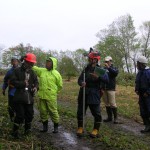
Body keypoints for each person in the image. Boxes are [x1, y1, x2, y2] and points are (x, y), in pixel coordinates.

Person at [76, 51, 109, 138]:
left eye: (90, 58)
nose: (88, 60)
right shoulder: (86, 68)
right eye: (89, 58)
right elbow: (79, 80)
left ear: (95, 60)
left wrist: (98, 77)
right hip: (83, 93)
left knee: (96, 113)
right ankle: (80, 127)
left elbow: (107, 80)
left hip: (94, 94)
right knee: (80, 111)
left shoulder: (100, 70)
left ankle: (95, 130)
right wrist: (81, 83)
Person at [10, 53, 38, 138]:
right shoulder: (17, 71)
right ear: (25, 62)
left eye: (32, 64)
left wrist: (36, 87)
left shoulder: (33, 72)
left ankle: (27, 130)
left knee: (30, 114)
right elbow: (12, 82)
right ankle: (15, 132)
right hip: (19, 97)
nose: (31, 65)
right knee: (20, 115)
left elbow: (36, 82)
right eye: (30, 63)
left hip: (29, 97)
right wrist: (22, 83)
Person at [32, 56, 63, 133]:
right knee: (43, 111)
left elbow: (60, 86)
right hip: (42, 96)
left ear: (53, 64)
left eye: (48, 63)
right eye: (46, 62)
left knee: (53, 111)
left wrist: (54, 92)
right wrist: (29, 62)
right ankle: (45, 127)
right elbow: (34, 68)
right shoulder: (42, 71)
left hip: (51, 97)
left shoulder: (56, 74)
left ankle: (56, 127)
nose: (46, 64)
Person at [135, 56, 150, 133]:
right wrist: (136, 89)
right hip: (141, 95)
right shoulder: (139, 72)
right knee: (143, 111)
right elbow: (137, 82)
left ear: (141, 64)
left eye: (137, 63)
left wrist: (147, 93)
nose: (136, 65)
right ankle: (147, 126)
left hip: (148, 96)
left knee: (149, 110)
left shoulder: (148, 72)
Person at [2, 57, 19, 122]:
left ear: (18, 62)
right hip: (11, 92)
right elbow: (5, 80)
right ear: (11, 63)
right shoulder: (9, 72)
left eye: (16, 61)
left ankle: (19, 119)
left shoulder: (21, 70)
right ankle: (12, 118)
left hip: (19, 92)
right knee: (11, 107)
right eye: (13, 62)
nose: (14, 63)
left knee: (19, 107)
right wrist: (3, 89)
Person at [102, 56, 119, 124]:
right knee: (106, 103)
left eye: (107, 61)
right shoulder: (103, 69)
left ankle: (116, 118)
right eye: (105, 61)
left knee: (112, 103)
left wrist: (109, 67)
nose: (106, 62)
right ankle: (109, 117)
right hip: (104, 88)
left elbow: (115, 73)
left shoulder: (114, 68)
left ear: (111, 61)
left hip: (111, 88)